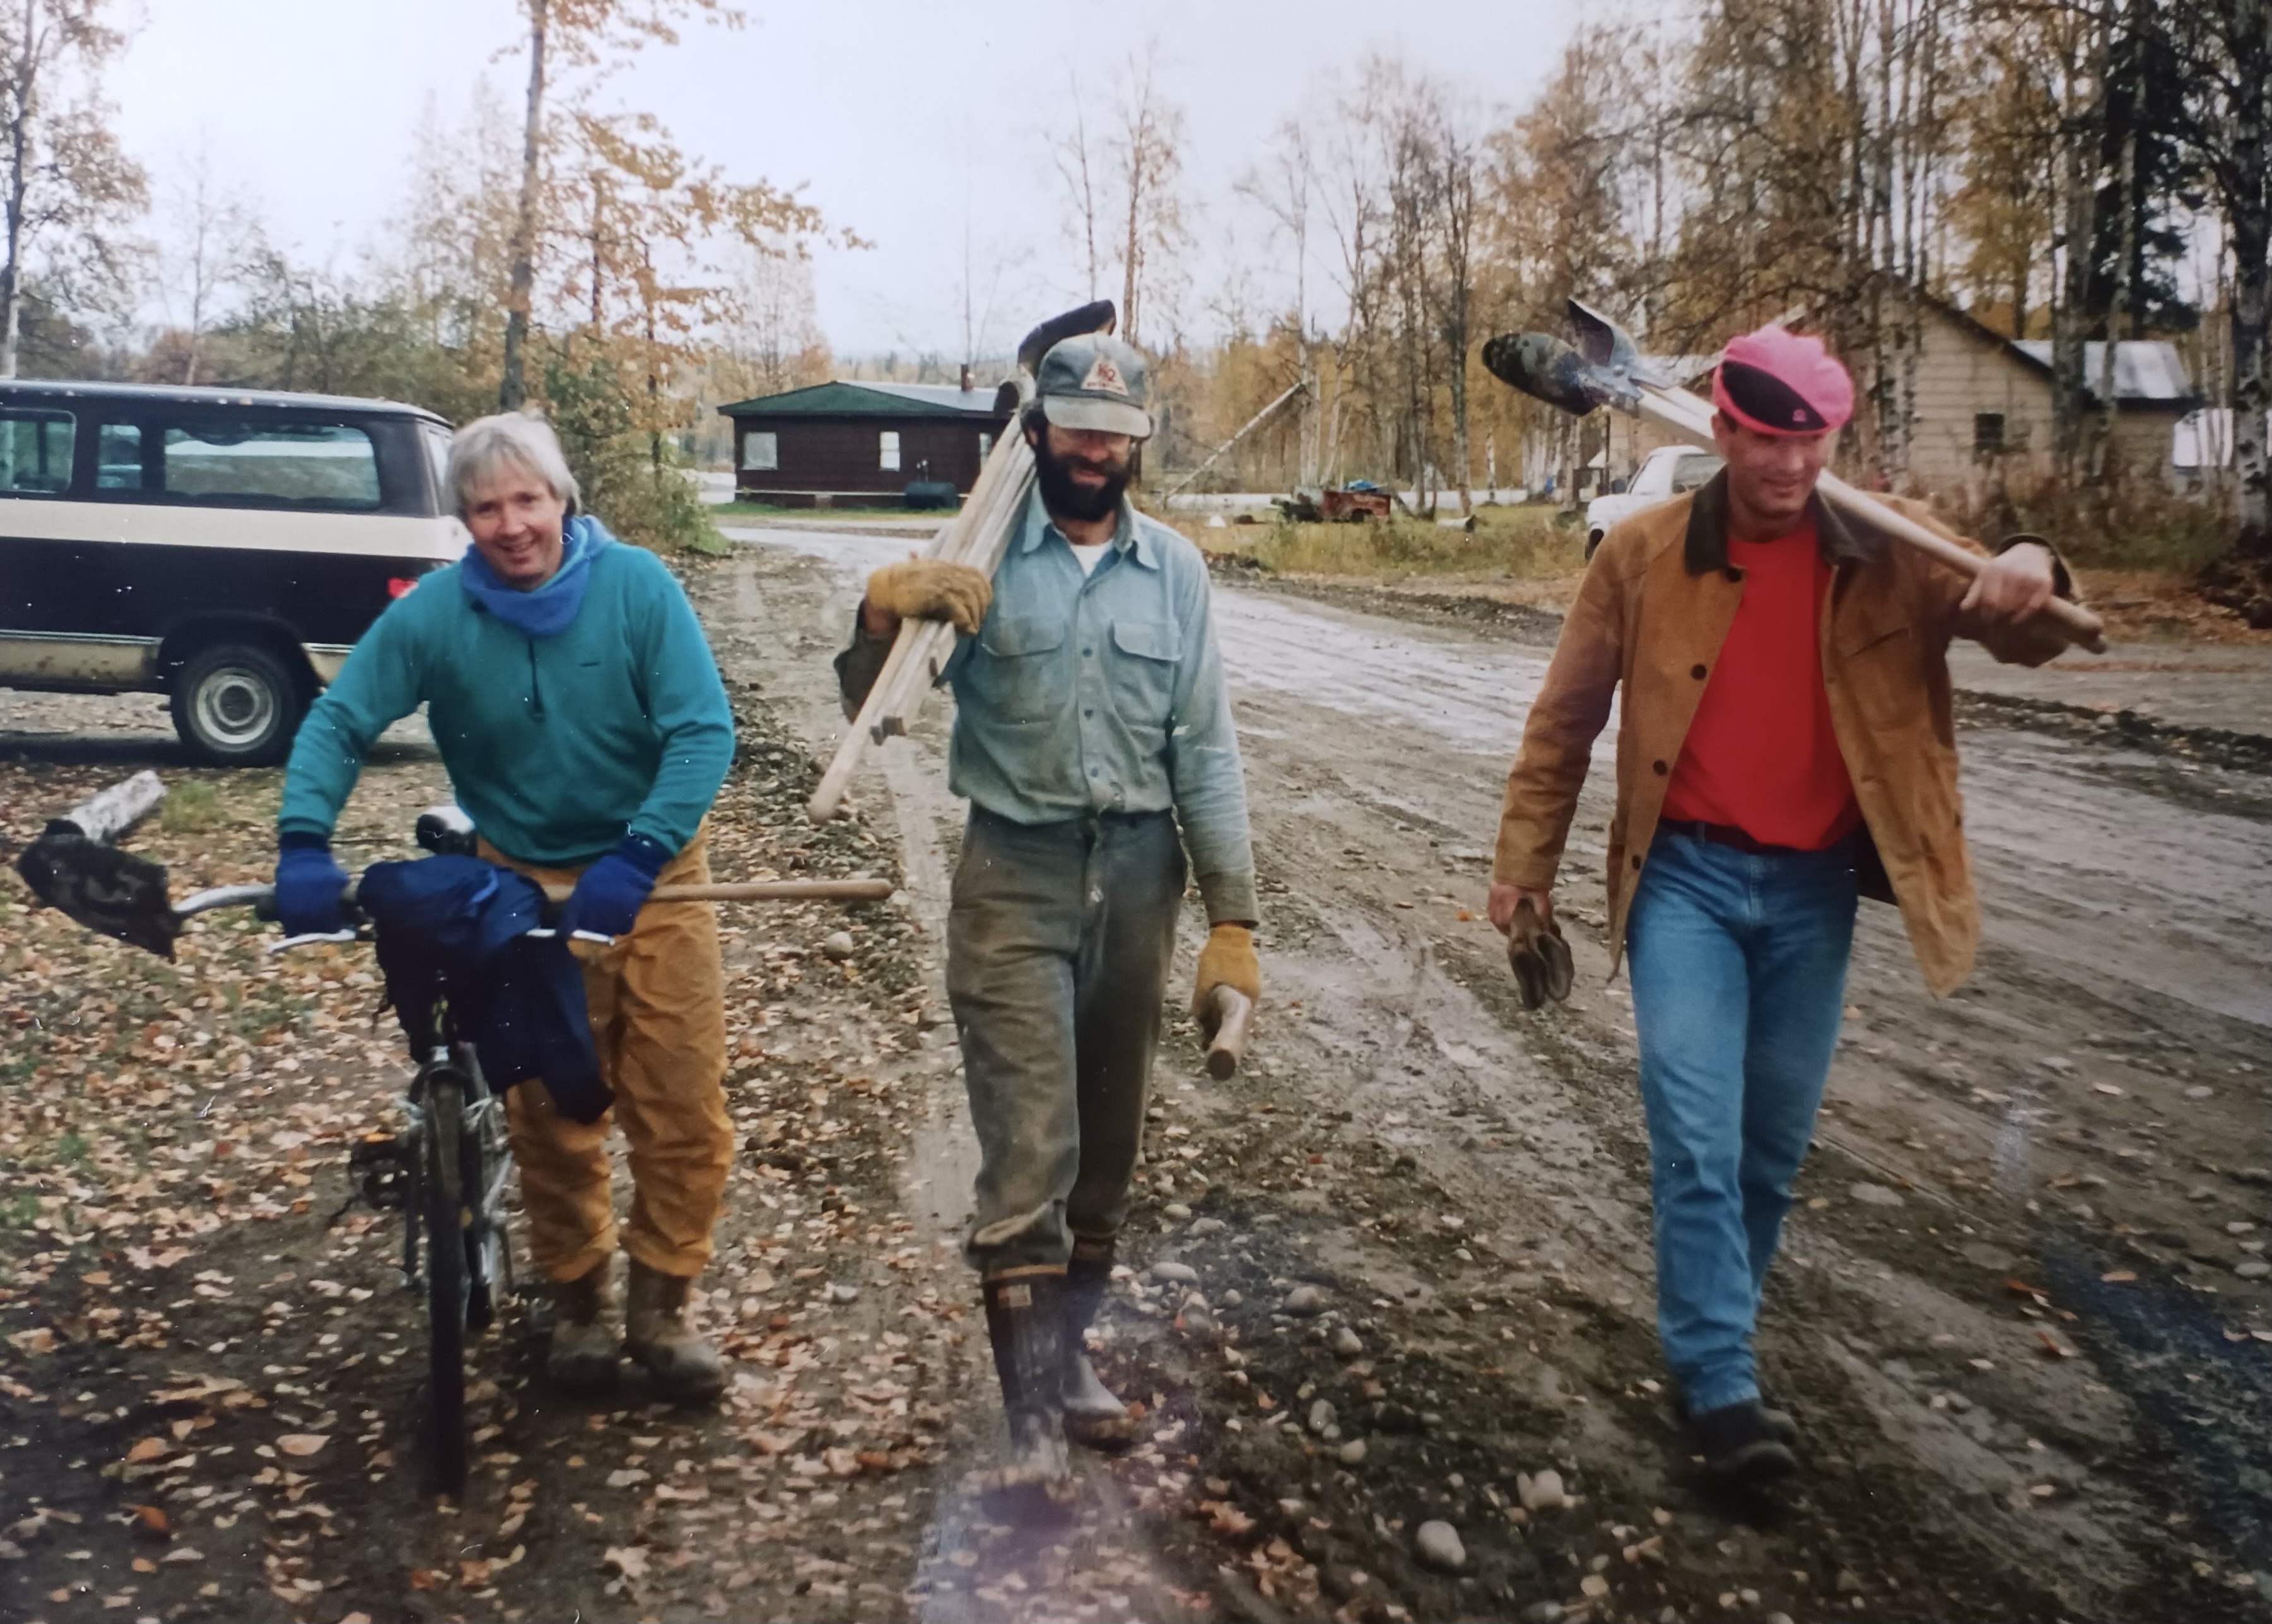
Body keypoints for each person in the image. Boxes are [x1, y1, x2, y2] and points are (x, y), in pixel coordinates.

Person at [1489, 325, 2076, 1482]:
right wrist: (1527, 862)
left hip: (1813, 893)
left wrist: (2033, 564)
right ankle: (1717, 1381)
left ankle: (1718, 1338)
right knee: (1696, 1140)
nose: (1789, 467)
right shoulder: (1642, 554)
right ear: (1722, 433)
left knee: (1768, 1151)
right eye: (1767, 442)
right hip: (1686, 886)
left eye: (1811, 444)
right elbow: (1564, 719)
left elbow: (2025, 629)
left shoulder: (1888, 551)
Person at [836, 333, 1260, 1496]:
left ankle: (1064, 1361)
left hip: (1136, 879)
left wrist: (1235, 916)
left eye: (1114, 435)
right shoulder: (973, 561)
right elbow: (871, 715)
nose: (1093, 449)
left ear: (1137, 446)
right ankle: (1030, 1430)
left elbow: (1207, 753)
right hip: (1012, 873)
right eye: (1074, 427)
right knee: (1033, 1145)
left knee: (1105, 1155)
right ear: (1036, 433)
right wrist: (880, 613)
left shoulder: (1174, 571)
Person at [272, 412, 738, 1402]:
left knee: (680, 1106)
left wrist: (640, 851)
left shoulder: (637, 589)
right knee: (551, 1111)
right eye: (485, 507)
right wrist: (304, 840)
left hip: (654, 881)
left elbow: (702, 731)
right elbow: (341, 717)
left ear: (561, 498)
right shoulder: (434, 615)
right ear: (464, 521)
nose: (511, 524)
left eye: (527, 499)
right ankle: (576, 1311)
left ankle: (662, 1314)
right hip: (517, 885)